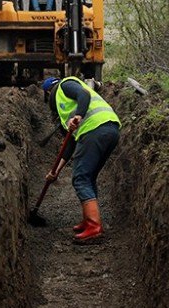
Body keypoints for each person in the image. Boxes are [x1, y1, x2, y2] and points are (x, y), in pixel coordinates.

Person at [42, 75, 121, 242]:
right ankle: (89, 220)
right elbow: (69, 145)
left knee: (80, 178)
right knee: (88, 177)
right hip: (110, 128)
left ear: (49, 92)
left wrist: (78, 116)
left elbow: (84, 94)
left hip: (94, 130)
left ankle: (94, 227)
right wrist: (55, 171)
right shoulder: (65, 108)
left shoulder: (65, 86)